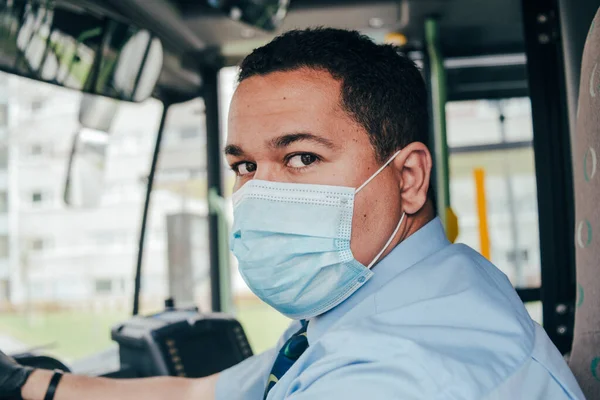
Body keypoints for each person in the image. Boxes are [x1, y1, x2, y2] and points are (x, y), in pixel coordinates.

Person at [0, 28, 585, 400]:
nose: (261, 193)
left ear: (408, 179)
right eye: (245, 167)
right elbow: (204, 395)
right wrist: (30, 383)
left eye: (302, 157)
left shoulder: (392, 375)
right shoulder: (404, 291)